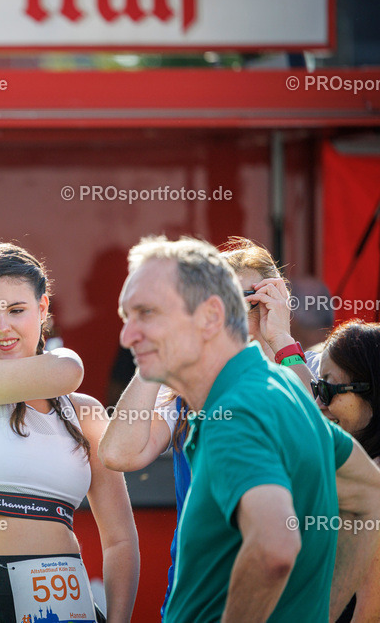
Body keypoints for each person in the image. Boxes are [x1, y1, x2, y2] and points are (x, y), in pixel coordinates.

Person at [117, 236, 380, 621]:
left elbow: (274, 545)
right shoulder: (259, 390)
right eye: (129, 318)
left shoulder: (247, 403)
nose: (127, 336)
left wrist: (282, 338)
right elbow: (368, 494)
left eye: (249, 301)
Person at [0, 243, 139, 623]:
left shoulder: (85, 412)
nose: (2, 327)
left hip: (68, 604)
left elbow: (120, 539)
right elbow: (67, 368)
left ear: (43, 309)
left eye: (16, 310)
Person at [315, 320, 380, 622]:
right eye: (317, 387)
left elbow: (369, 613)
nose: (318, 402)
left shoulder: (373, 479)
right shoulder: (357, 465)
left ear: (371, 391)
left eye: (328, 389)